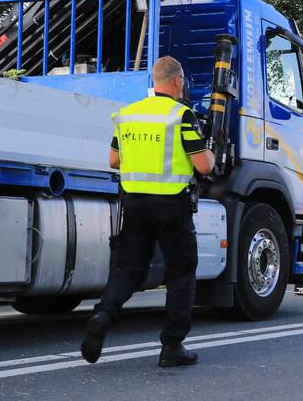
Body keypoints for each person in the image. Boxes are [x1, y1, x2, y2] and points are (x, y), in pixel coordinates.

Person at [81, 56, 215, 367]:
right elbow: (204, 165)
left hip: (135, 205)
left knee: (129, 271)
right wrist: (207, 149)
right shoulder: (181, 115)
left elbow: (114, 161)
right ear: (178, 81)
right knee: (181, 273)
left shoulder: (128, 115)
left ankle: (103, 315)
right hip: (172, 205)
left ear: (154, 81)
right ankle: (172, 346)